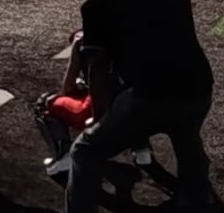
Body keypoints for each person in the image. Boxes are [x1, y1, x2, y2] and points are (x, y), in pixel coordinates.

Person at [48, 0, 216, 213]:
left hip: (150, 95)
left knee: (86, 151)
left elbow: (97, 67)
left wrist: (100, 119)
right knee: (188, 144)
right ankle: (199, 212)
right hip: (198, 89)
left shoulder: (100, 2)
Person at [34, 30, 153, 177]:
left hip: (101, 113)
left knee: (44, 103)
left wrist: (75, 53)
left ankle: (64, 155)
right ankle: (141, 148)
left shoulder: (86, 42)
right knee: (133, 96)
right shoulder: (129, 35)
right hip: (138, 109)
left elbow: (68, 89)